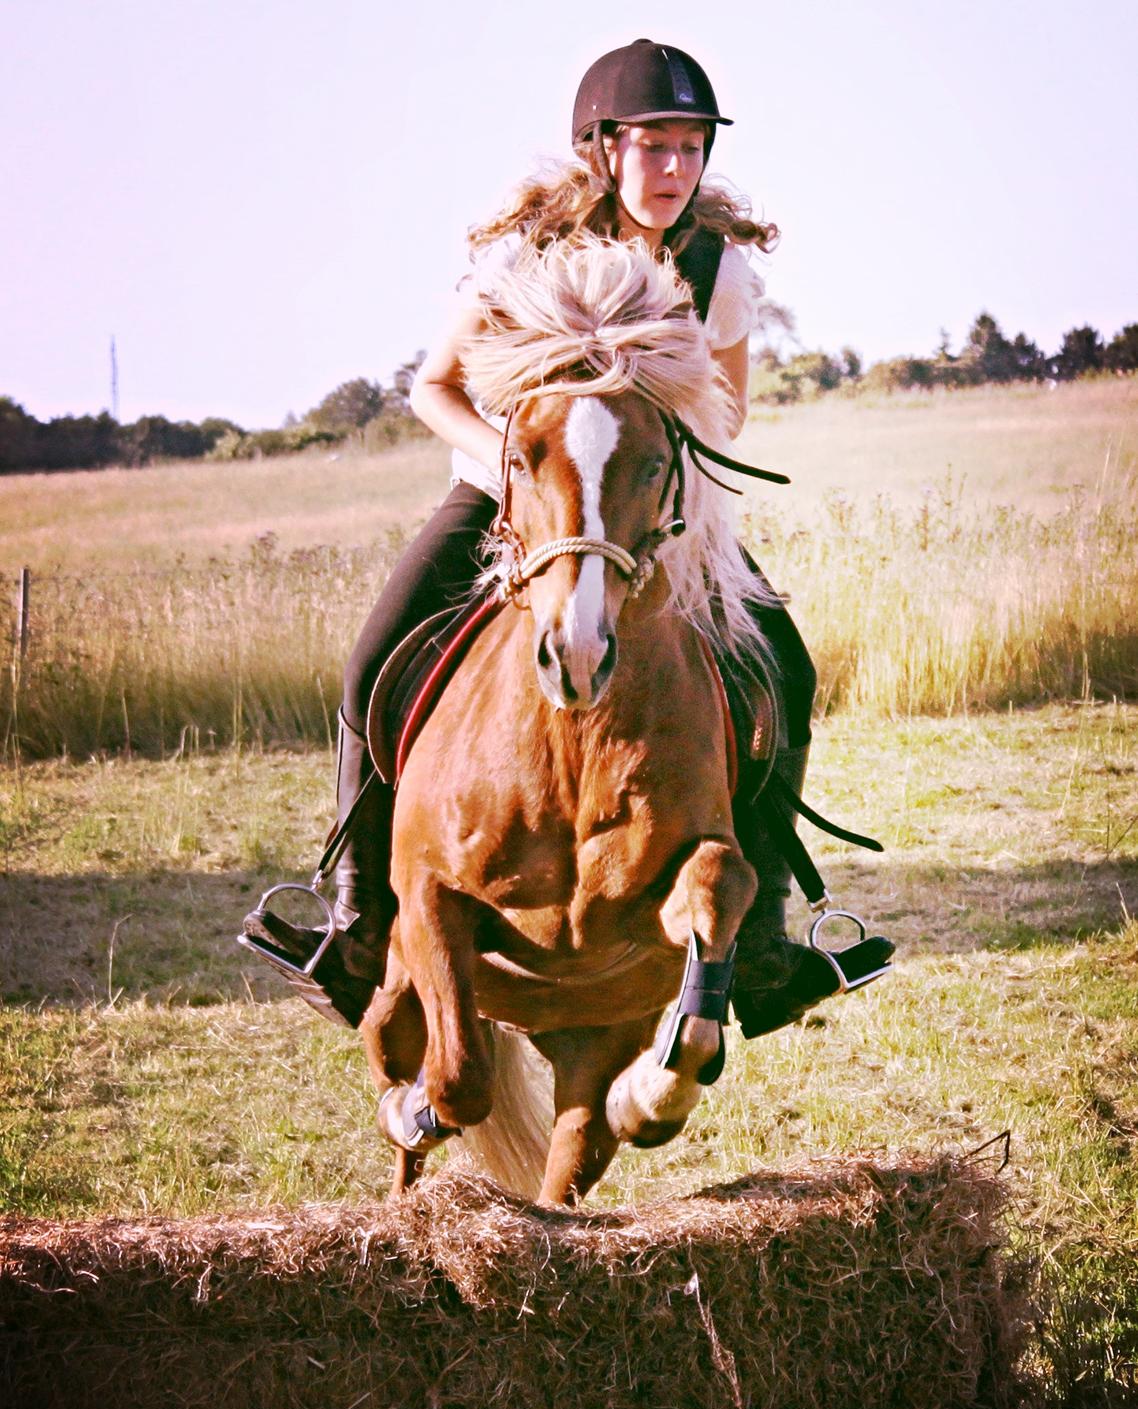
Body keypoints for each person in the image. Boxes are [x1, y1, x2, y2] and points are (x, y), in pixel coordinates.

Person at [244, 38, 893, 1034]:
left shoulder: (716, 269)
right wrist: (518, 463)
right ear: (602, 148)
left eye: (690, 147)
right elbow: (435, 388)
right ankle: (358, 921)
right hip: (508, 491)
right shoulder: (528, 253)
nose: (674, 169)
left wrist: (642, 459)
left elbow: (728, 417)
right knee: (370, 661)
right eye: (654, 146)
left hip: (648, 504)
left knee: (788, 672)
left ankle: (760, 940)